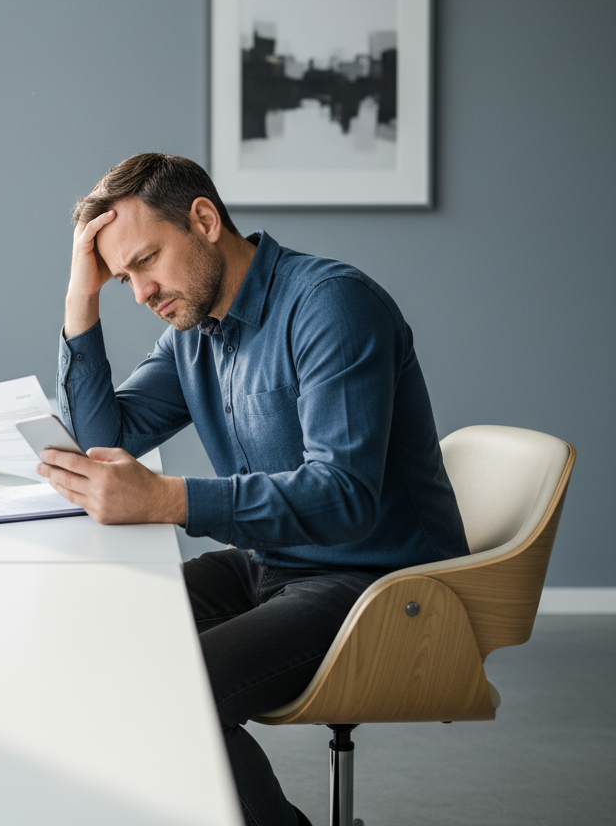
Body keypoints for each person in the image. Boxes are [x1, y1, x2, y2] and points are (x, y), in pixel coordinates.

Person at [37, 152, 468, 826]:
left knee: (177, 687)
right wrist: (79, 296)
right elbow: (105, 438)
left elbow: (344, 495)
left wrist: (167, 500)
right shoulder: (194, 332)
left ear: (204, 220)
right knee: (96, 633)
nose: (142, 293)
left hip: (376, 582)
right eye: (123, 278)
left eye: (145, 261)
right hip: (272, 563)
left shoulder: (332, 305)